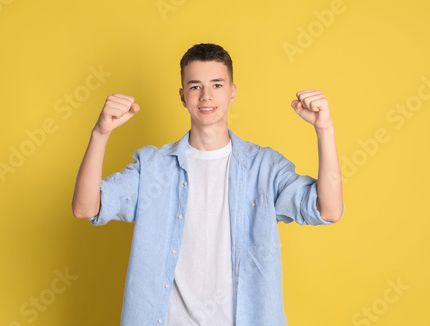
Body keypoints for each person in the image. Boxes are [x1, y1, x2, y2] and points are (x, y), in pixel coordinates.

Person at [72, 43, 344, 326]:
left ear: (232, 92)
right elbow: (85, 207)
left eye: (216, 84)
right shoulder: (152, 166)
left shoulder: (264, 167)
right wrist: (100, 134)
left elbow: (329, 211)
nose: (206, 96)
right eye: (194, 86)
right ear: (182, 96)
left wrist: (325, 130)